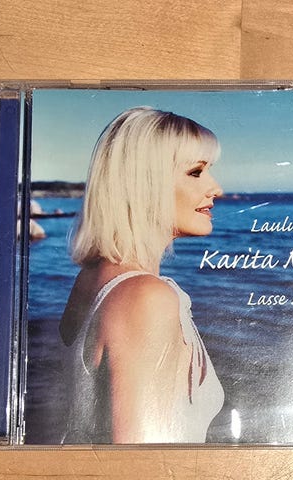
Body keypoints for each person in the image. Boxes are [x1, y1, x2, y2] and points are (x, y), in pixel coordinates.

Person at [59, 106, 224, 444]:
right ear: (145, 183)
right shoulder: (145, 297)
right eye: (196, 172)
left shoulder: (92, 279)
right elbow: (137, 458)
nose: (216, 189)